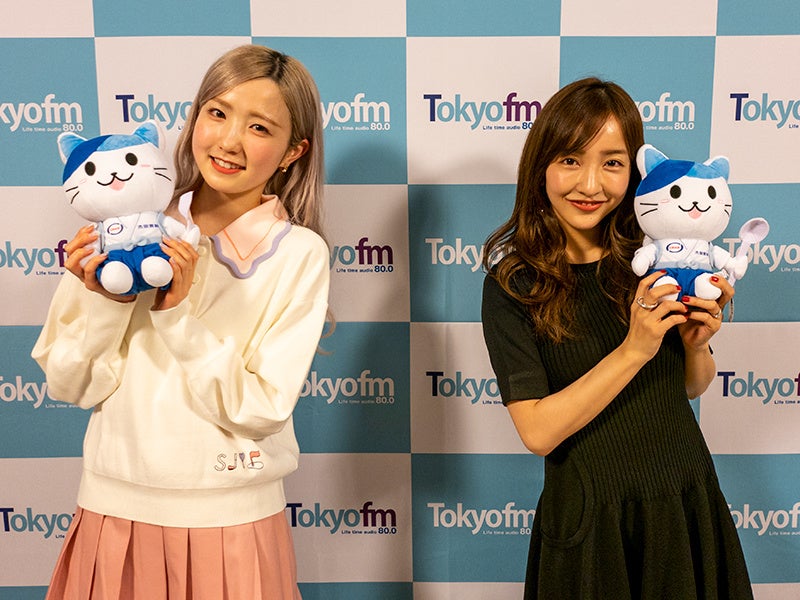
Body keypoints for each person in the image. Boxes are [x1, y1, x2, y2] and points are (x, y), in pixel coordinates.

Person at [33, 44, 329, 599]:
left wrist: (176, 316)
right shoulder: (119, 226)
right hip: (113, 515)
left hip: (233, 523)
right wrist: (106, 301)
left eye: (259, 127)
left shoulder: (299, 254)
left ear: (294, 151)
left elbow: (263, 407)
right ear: (194, 118)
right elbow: (70, 383)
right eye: (217, 113)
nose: (229, 141)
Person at [480, 77, 753, 599]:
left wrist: (696, 343)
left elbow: (689, 386)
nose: (590, 184)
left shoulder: (651, 261)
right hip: (592, 522)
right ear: (540, 167)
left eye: (612, 163)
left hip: (683, 500)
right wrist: (633, 350)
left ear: (634, 172)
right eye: (570, 160)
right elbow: (537, 431)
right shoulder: (514, 284)